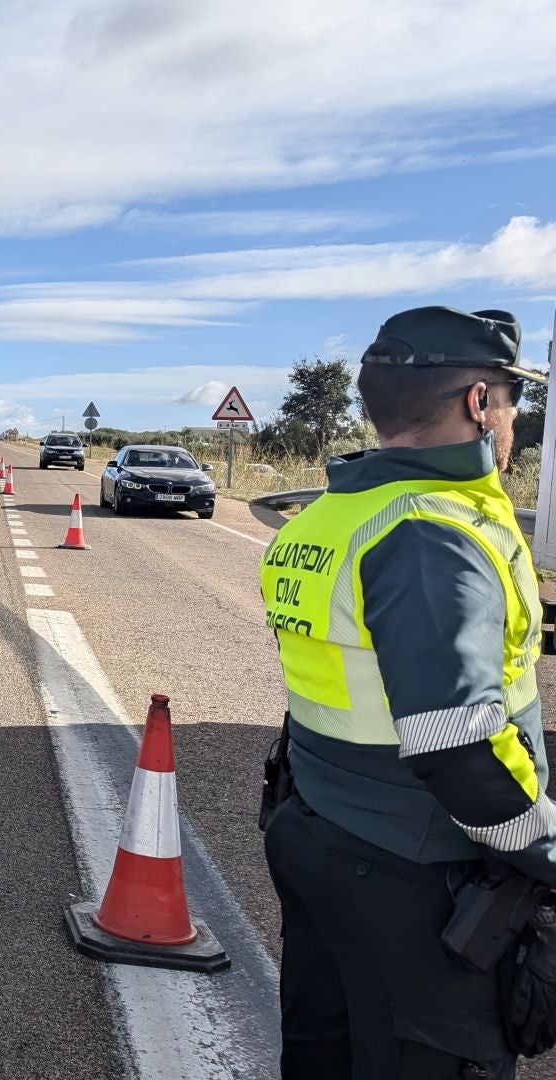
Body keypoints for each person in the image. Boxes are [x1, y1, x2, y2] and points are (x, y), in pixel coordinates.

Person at [261, 306, 552, 1078]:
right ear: (478, 404)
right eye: (513, 401)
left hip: (318, 826)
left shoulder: (330, 514)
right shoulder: (431, 532)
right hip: (414, 874)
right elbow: (456, 744)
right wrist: (547, 849)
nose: (515, 421)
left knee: (325, 1051)